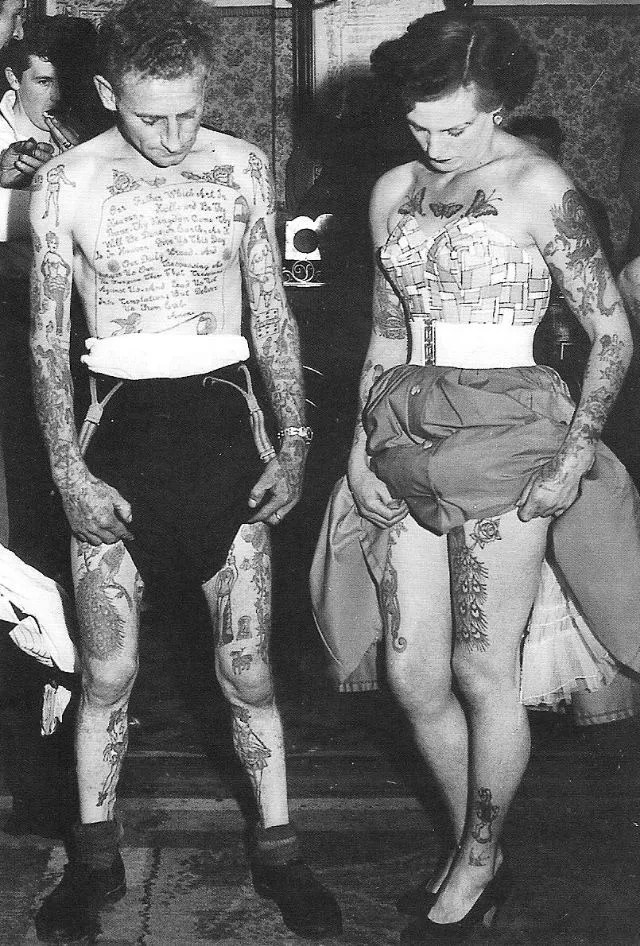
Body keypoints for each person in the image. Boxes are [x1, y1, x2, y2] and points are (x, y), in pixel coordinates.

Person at [312, 10, 640, 943]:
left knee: (480, 667)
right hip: (408, 426)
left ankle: (478, 858)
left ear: (497, 106)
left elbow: (612, 333)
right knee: (412, 672)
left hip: (509, 432)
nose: (435, 144)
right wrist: (357, 447)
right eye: (418, 124)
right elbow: (386, 332)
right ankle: (478, 848)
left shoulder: (540, 186)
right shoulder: (394, 189)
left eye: (455, 126)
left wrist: (573, 455)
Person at [29, 1, 342, 942]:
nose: (171, 138)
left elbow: (273, 311)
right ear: (104, 92)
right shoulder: (64, 181)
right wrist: (68, 474)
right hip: (116, 434)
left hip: (220, 430)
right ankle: (94, 862)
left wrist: (294, 442)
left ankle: (281, 851)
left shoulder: (241, 165)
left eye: (189, 113)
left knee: (248, 671)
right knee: (108, 671)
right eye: (148, 115)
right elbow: (45, 340)